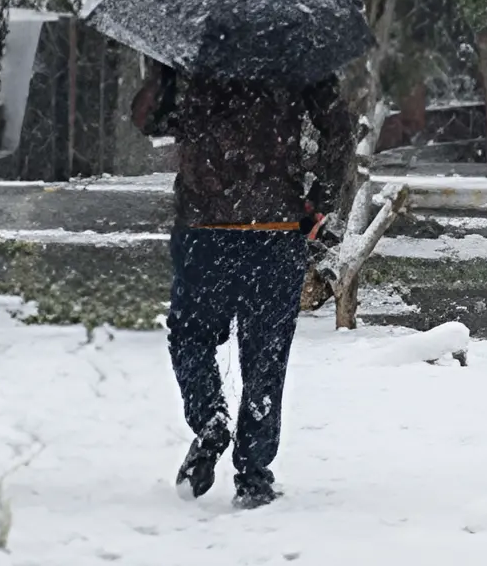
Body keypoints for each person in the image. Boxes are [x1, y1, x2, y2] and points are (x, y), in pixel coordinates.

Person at [132, 60, 354, 508]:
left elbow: (148, 118)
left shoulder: (192, 45)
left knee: (190, 333)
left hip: (206, 224)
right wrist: (319, 202)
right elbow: (340, 131)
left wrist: (165, 72)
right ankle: (253, 474)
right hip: (274, 225)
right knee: (265, 351)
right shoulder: (293, 45)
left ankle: (209, 415)